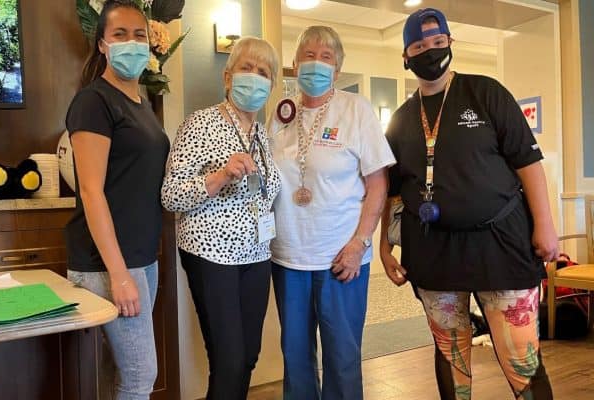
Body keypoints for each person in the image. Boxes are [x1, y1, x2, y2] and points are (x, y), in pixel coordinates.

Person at [379, 8, 558, 400]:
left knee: (521, 358)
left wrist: (545, 227)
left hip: (502, 245)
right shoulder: (400, 120)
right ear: (406, 57)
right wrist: (385, 245)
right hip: (433, 250)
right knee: (450, 351)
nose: (430, 52)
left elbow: (528, 164)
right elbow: (393, 190)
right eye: (419, 46)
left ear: (450, 44)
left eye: (438, 42)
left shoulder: (486, 92)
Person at [267, 26, 395, 400]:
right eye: (308, 55)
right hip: (288, 256)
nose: (316, 63)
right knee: (295, 357)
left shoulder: (357, 110)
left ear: (337, 69)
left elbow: (378, 185)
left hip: (342, 258)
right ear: (295, 64)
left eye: (326, 57)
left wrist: (360, 243)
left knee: (342, 357)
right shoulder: (281, 113)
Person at [161, 37, 280, 400]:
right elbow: (170, 195)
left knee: (248, 356)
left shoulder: (261, 134)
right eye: (247, 68)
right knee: (229, 360)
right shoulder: (200, 123)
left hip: (256, 254)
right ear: (228, 77)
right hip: (212, 254)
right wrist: (221, 175)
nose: (254, 77)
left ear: (272, 85)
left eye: (263, 72)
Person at [64, 1, 168, 399]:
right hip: (109, 262)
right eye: (120, 34)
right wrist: (119, 274)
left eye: (139, 35)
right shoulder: (94, 101)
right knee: (141, 376)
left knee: (123, 374)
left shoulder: (141, 103)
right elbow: (91, 191)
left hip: (141, 257)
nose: (131, 42)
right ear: (102, 44)